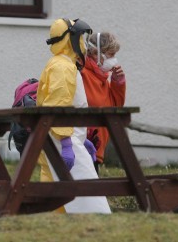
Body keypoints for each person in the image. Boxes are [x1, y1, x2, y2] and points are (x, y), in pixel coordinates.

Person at [37, 17, 111, 214]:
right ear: (71, 39)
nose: (84, 44)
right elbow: (57, 107)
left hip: (66, 139)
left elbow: (72, 106)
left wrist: (82, 138)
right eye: (80, 38)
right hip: (64, 141)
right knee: (92, 203)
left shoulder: (65, 64)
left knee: (59, 200)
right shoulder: (63, 67)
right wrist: (68, 143)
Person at [81, 32, 126, 172]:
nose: (114, 59)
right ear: (96, 52)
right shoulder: (82, 73)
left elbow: (115, 107)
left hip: (96, 146)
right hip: (83, 146)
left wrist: (118, 83)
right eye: (111, 54)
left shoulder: (102, 78)